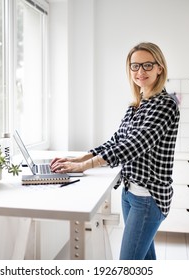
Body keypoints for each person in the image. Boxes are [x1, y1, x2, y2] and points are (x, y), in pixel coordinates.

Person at [50, 42, 180, 260]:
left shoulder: (166, 104)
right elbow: (117, 140)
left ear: (160, 68)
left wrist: (84, 166)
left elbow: (133, 146)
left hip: (149, 197)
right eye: (135, 66)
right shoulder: (136, 105)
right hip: (130, 193)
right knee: (145, 260)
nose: (140, 71)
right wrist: (81, 157)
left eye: (148, 65)